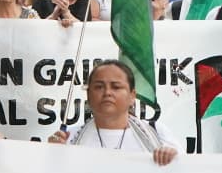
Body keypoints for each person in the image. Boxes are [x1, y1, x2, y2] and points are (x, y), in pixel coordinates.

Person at [48, 59, 178, 164]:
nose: (107, 93)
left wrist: (174, 160)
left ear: (132, 96)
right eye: (99, 87)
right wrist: (50, 154)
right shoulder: (69, 138)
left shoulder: (157, 133)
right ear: (88, 94)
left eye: (116, 87)